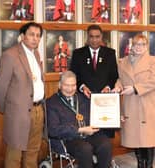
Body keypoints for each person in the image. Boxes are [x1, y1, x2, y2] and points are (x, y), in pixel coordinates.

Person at [0, 22, 45, 168]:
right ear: (22, 36)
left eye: (38, 36)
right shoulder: (10, 55)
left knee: (32, 152)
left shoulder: (36, 53)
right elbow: (0, 87)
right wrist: (8, 109)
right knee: (14, 154)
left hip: (38, 110)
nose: (35, 39)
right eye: (31, 35)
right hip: (18, 113)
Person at [46, 70, 112, 168]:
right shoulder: (52, 103)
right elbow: (53, 130)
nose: (70, 89)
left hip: (89, 134)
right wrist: (79, 130)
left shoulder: (83, 98)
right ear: (59, 85)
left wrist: (112, 118)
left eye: (73, 85)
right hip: (68, 139)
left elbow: (96, 115)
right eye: (66, 85)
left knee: (105, 144)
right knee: (85, 149)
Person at [112, 34, 155, 168]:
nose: (139, 47)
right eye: (136, 44)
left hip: (146, 104)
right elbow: (120, 78)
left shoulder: (152, 61)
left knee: (147, 139)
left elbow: (153, 81)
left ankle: (147, 165)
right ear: (132, 45)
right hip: (130, 104)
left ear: (146, 46)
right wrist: (117, 86)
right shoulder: (123, 61)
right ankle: (140, 164)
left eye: (142, 44)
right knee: (135, 138)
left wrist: (135, 88)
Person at [70, 24, 118, 138]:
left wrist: (108, 87)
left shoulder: (110, 53)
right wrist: (82, 87)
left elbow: (114, 75)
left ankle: (103, 154)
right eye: (91, 36)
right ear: (87, 37)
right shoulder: (78, 53)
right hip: (84, 98)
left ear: (101, 37)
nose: (94, 40)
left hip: (104, 98)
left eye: (97, 37)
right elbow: (74, 75)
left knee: (104, 132)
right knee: (87, 130)